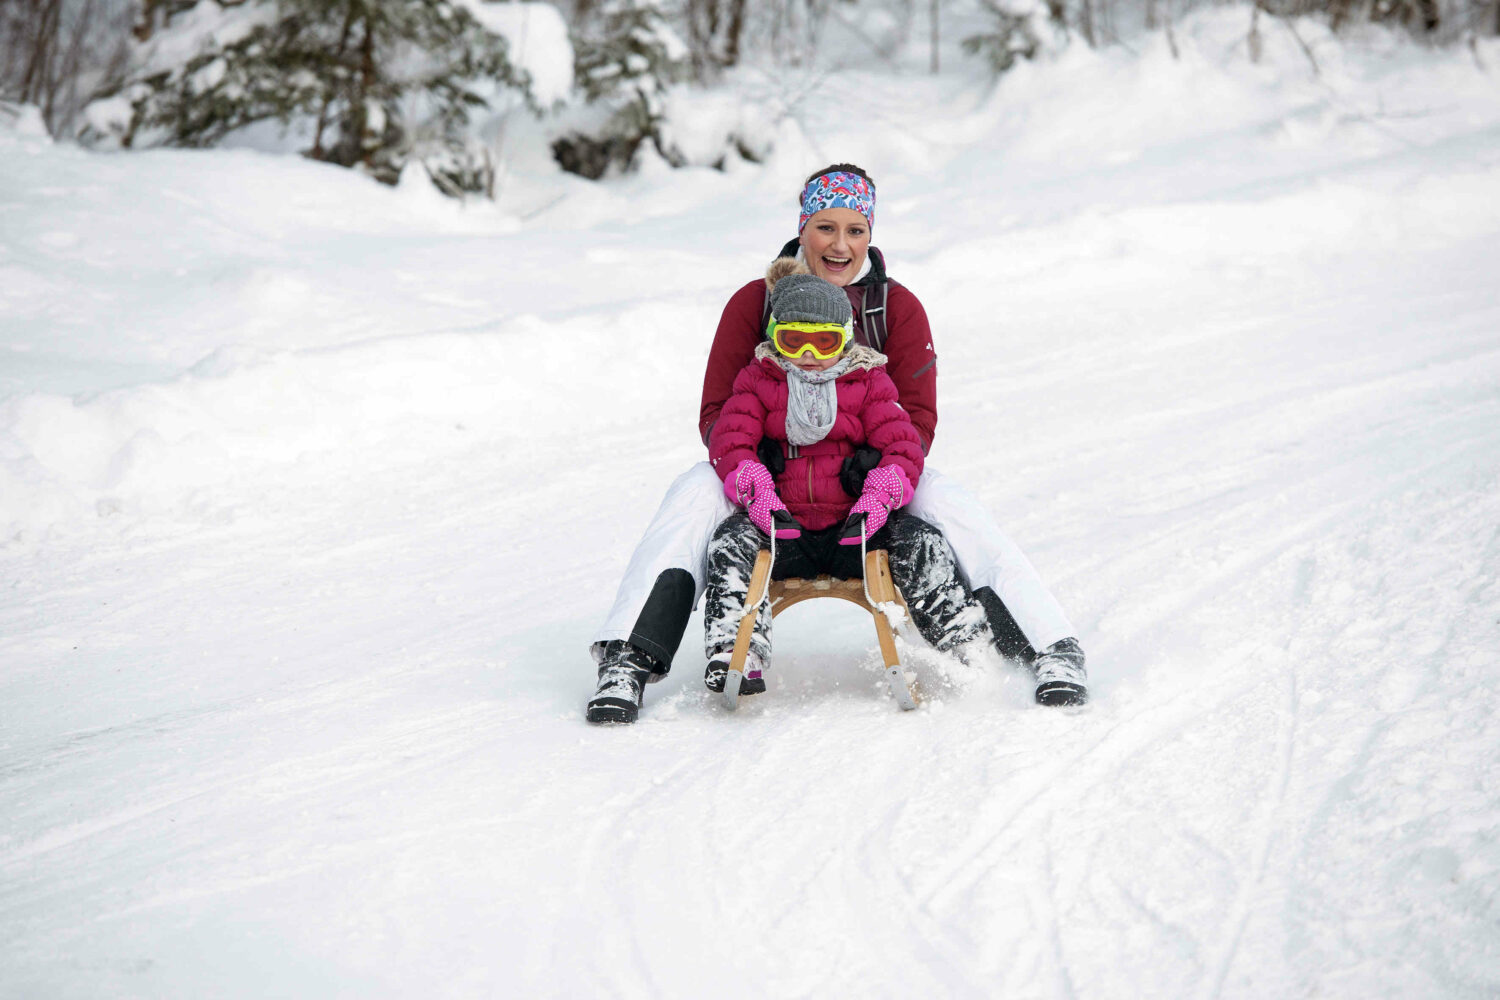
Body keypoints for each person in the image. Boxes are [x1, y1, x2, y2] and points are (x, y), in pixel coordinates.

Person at [586, 164, 1087, 724]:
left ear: (871, 234)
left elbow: (916, 419)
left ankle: (1049, 646)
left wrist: (877, 470)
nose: (840, 245)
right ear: (803, 228)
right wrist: (756, 464)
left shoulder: (894, 308)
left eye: (855, 230)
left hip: (873, 483)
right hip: (765, 485)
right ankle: (627, 658)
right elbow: (716, 413)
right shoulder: (756, 302)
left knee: (947, 500)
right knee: (695, 489)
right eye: (826, 227)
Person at [694, 261, 992, 700]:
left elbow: (903, 444)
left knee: (918, 538)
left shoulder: (869, 381)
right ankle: (734, 650)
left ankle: (964, 642)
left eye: (825, 342)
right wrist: (749, 478)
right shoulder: (759, 380)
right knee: (730, 540)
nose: (809, 356)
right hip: (782, 531)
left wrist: (883, 490)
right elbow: (730, 438)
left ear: (846, 340)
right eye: (793, 341)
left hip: (857, 532)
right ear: (775, 337)